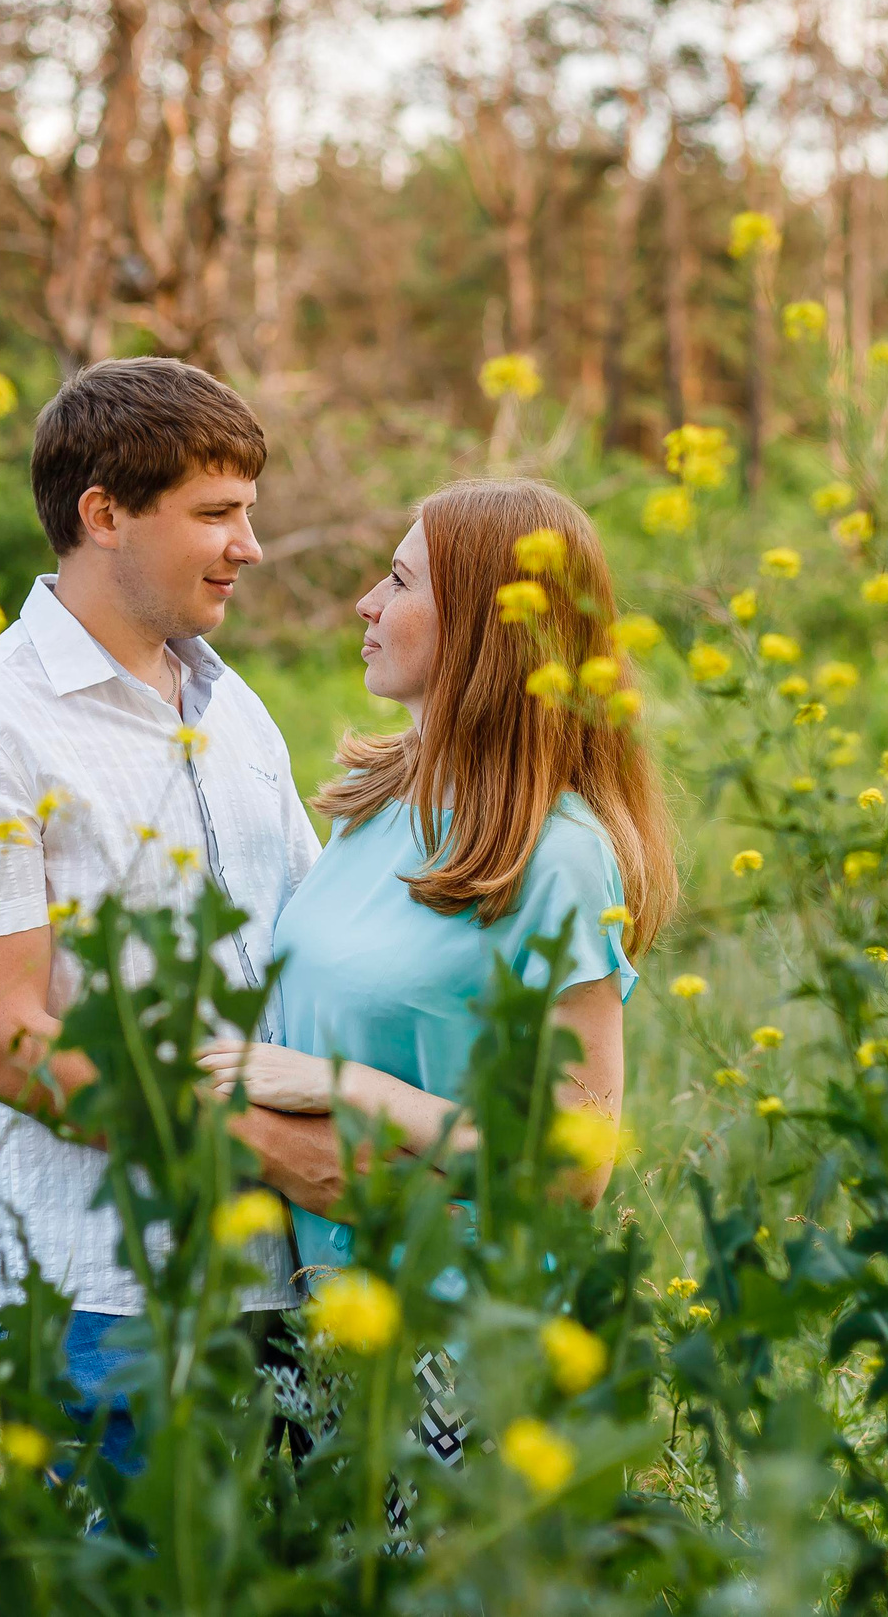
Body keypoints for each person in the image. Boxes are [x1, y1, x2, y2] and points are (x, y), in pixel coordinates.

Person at [0, 357, 342, 1475]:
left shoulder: (231, 705)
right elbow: (5, 1039)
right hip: (112, 1302)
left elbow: (304, 947)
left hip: (293, 1280)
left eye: (248, 512)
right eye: (215, 514)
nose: (249, 546)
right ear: (104, 515)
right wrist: (271, 1149)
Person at [200, 477, 675, 1294]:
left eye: (399, 581)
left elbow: (575, 1170)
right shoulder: (372, 805)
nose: (366, 602)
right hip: (325, 1314)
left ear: (487, 622)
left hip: (465, 1323)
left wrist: (347, 1088)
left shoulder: (558, 854)